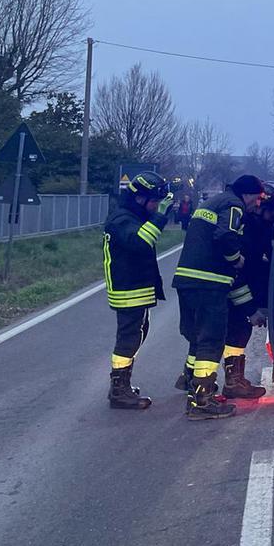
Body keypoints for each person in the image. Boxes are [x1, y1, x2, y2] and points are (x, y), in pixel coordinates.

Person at [172, 174, 266, 420]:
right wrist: (237, 259)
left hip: (187, 281)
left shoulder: (210, 203)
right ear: (246, 194)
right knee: (212, 342)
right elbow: (225, 236)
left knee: (197, 336)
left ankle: (191, 382)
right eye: (257, 199)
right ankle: (201, 403)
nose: (258, 204)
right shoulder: (233, 205)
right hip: (208, 283)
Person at [102, 171, 175, 410]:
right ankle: (119, 390)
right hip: (127, 290)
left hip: (136, 288)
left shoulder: (132, 216)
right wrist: (161, 216)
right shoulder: (122, 219)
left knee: (138, 335)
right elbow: (141, 242)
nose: (155, 206)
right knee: (128, 339)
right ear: (140, 198)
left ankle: (122, 386)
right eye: (154, 201)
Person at [220, 186, 274, 399]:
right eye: (272, 213)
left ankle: (194, 377)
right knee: (237, 333)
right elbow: (242, 270)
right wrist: (251, 308)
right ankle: (233, 382)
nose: (273, 218)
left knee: (229, 333)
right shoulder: (249, 230)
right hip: (234, 287)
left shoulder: (256, 228)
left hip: (237, 286)